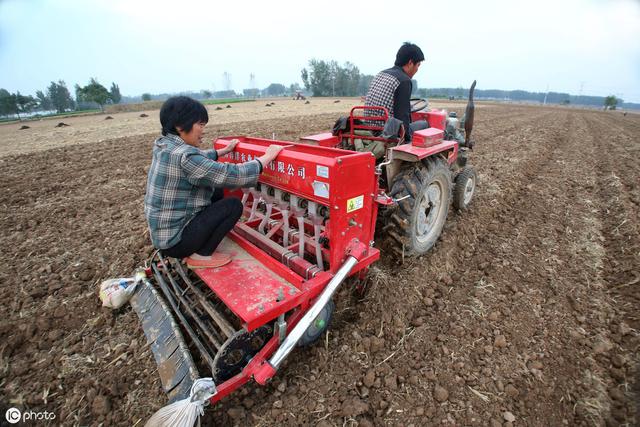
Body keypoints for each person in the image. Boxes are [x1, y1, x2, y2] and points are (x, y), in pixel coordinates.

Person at [144, 96, 283, 269]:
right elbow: (232, 175)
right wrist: (267, 157)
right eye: (200, 125)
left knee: (216, 191)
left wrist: (222, 151)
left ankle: (205, 236)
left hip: (164, 235)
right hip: (177, 243)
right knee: (233, 206)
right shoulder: (185, 157)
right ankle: (202, 255)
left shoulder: (164, 145)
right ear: (180, 126)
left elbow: (198, 159)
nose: (203, 130)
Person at [365, 42, 425, 142]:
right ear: (410, 63)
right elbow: (402, 116)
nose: (417, 69)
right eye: (418, 65)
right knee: (425, 124)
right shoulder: (403, 80)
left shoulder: (381, 73)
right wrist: (407, 140)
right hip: (387, 132)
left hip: (369, 128)